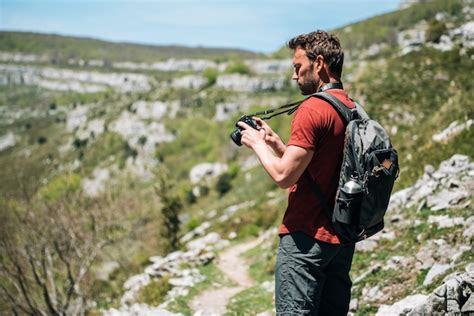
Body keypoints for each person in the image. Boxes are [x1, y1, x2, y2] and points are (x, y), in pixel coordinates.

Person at [238, 30, 356, 315]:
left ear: (318, 63)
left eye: (297, 67)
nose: (294, 76)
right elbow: (317, 166)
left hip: (305, 238)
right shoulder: (349, 107)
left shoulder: (312, 109)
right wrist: (278, 144)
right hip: (339, 240)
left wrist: (255, 143)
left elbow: (283, 176)